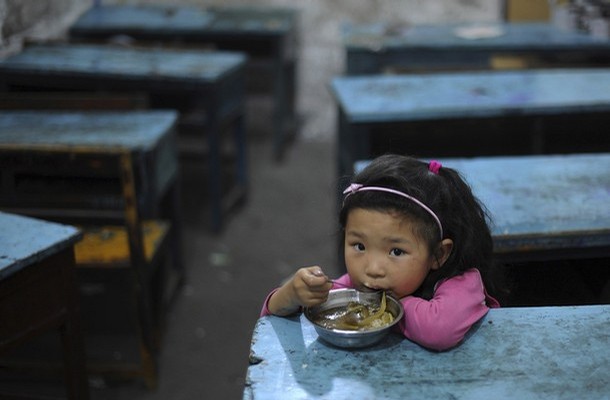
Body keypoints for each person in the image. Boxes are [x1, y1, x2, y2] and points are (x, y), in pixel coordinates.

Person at [260, 154, 502, 351]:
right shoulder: (356, 287)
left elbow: (440, 331)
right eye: (359, 246)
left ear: (439, 254)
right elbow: (270, 318)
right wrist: (291, 294)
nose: (373, 269)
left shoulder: (463, 283)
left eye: (396, 251)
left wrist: (386, 311)